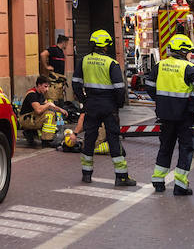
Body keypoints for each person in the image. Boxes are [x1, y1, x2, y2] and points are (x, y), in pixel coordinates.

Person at [71, 30, 135, 186]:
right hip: (108, 105)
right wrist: (117, 104)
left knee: (90, 138)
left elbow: (75, 83)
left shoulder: (84, 61)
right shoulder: (111, 63)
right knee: (113, 139)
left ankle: (87, 174)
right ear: (106, 46)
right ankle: (121, 177)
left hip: (91, 104)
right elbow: (120, 89)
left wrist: (84, 100)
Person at [146, 34, 194, 195]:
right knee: (186, 148)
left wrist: (159, 100)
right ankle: (180, 185)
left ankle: (158, 181)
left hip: (165, 115)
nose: (190, 55)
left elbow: (149, 85)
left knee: (165, 147)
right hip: (185, 116)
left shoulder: (160, 65)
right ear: (184, 51)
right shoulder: (189, 67)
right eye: (189, 52)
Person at [18, 76, 61, 147]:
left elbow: (49, 106)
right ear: (39, 85)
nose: (47, 89)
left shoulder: (41, 94)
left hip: (32, 117)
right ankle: (46, 140)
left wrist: (61, 110)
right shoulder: (32, 94)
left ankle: (31, 133)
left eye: (48, 87)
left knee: (51, 112)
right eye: (45, 86)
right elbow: (38, 110)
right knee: (49, 115)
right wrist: (48, 104)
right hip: (25, 119)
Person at [39, 34, 70, 102]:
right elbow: (43, 54)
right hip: (54, 84)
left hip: (59, 83)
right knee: (54, 102)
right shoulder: (53, 49)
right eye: (67, 43)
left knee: (60, 102)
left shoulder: (61, 51)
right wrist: (46, 66)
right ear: (63, 42)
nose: (67, 45)